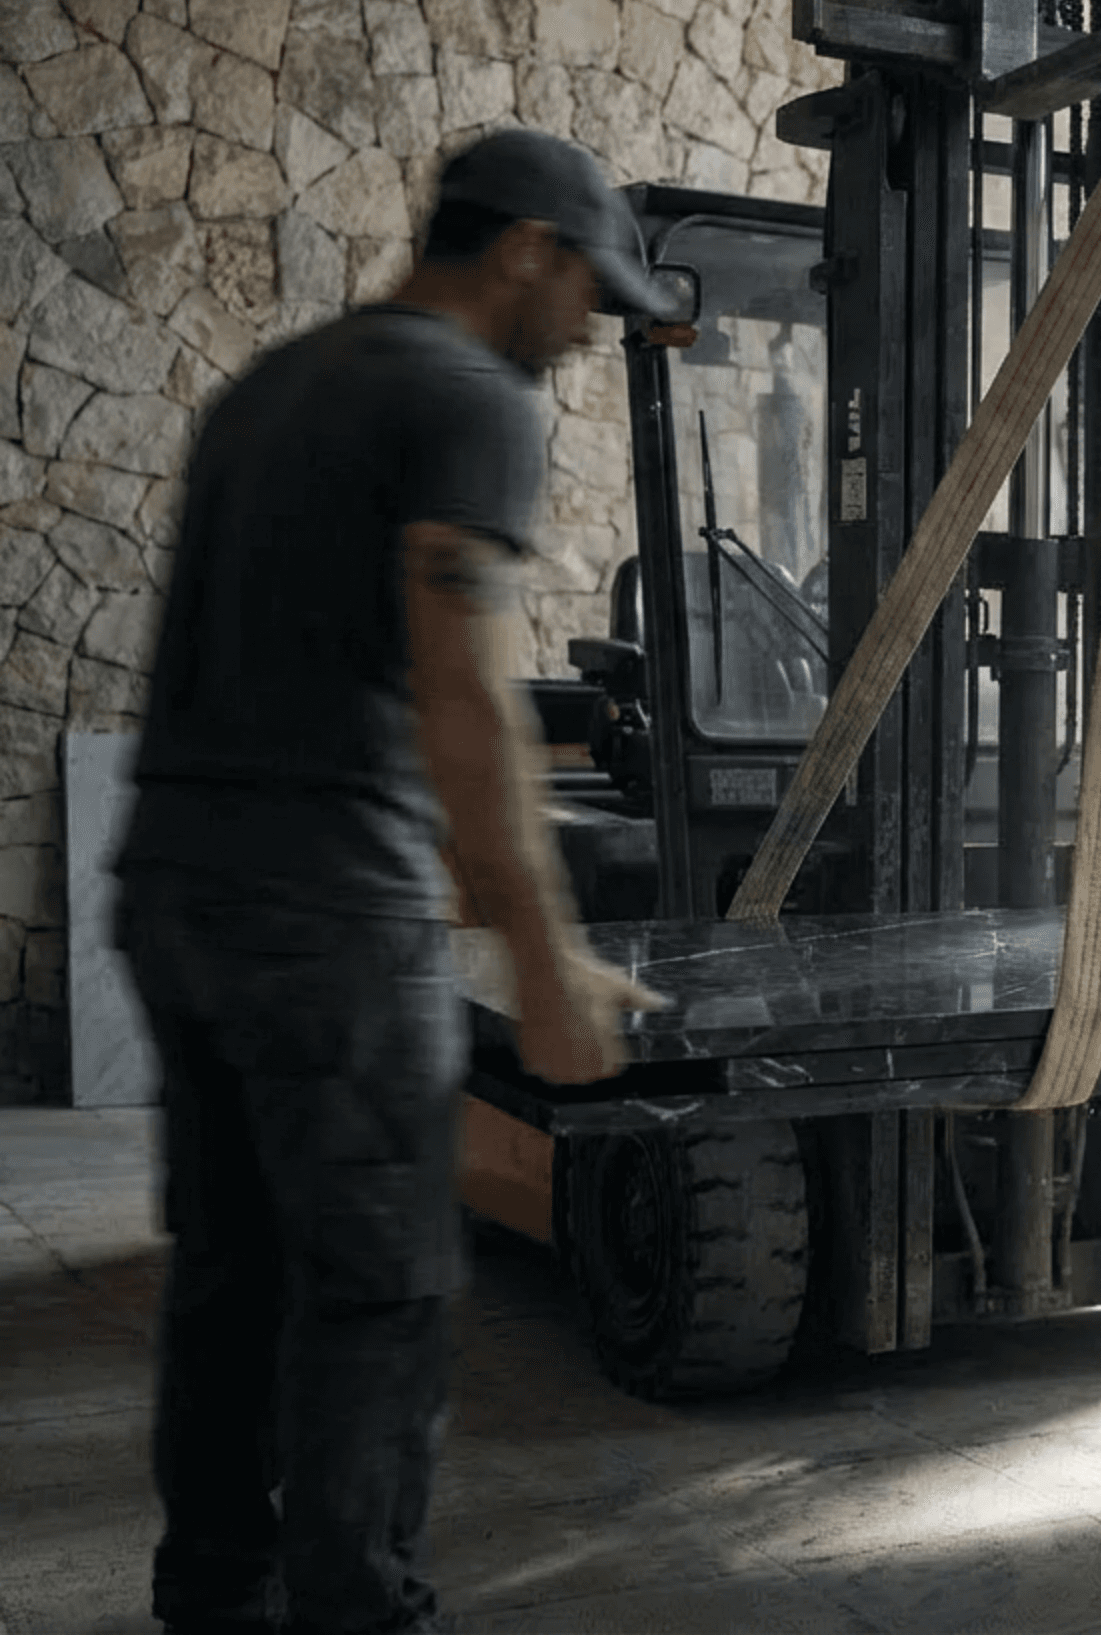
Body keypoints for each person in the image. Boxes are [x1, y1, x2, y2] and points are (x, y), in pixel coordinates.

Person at [114, 129, 670, 1633]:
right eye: (590, 292)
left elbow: (296, 679)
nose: (590, 329)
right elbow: (466, 698)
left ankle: (211, 1598)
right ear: (526, 253)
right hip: (326, 925)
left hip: (176, 891)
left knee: (232, 1273)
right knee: (379, 1292)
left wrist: (508, 921)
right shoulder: (469, 396)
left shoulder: (270, 389)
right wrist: (548, 973)